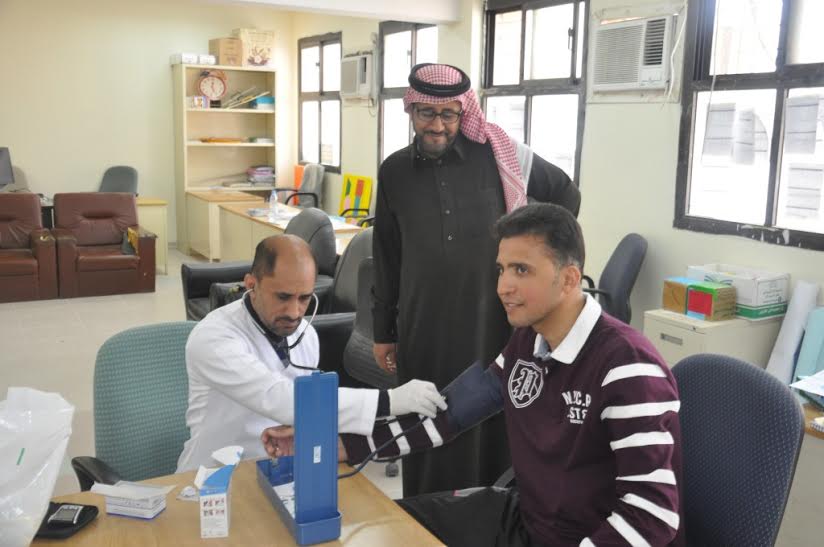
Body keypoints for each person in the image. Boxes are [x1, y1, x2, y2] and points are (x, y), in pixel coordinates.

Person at [265, 204, 684, 546]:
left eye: (522, 270)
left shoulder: (626, 365)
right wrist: (340, 445)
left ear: (569, 279)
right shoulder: (528, 340)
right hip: (529, 519)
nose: (503, 286)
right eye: (502, 269)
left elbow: (652, 512)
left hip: (585, 537)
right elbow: (451, 414)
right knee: (386, 528)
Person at [372, 62, 582, 496]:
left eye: (448, 114)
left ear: (463, 112)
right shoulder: (393, 171)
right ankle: (425, 514)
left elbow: (565, 192)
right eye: (427, 114)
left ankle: (489, 515)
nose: (438, 126)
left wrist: (535, 256)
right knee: (425, 418)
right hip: (423, 325)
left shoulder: (498, 153)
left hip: (493, 322)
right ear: (410, 110)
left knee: (492, 425)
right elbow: (387, 255)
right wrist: (383, 331)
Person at [176, 235, 446, 472]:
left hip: (282, 468)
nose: (294, 313)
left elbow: (302, 411)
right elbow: (281, 398)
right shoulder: (214, 337)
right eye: (283, 297)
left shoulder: (306, 336)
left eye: (304, 298)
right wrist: (390, 401)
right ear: (251, 284)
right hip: (214, 476)